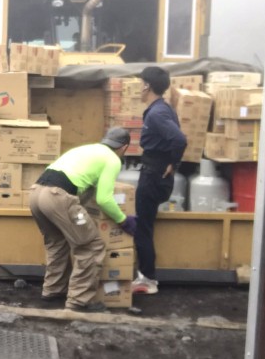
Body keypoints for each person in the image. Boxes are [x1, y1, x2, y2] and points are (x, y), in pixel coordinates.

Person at [29, 128, 138, 312]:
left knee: (57, 244)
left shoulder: (88, 149)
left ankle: (52, 291)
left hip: (36, 194)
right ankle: (77, 302)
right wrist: (123, 220)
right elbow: (104, 198)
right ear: (124, 147)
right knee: (90, 246)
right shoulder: (112, 159)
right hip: (58, 197)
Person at [132, 66, 188, 296]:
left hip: (153, 176)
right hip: (156, 174)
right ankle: (146, 275)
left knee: (142, 228)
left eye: (140, 83)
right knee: (145, 225)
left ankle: (148, 279)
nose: (138, 87)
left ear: (147, 86)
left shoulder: (157, 114)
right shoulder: (162, 109)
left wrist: (172, 164)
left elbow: (179, 139)